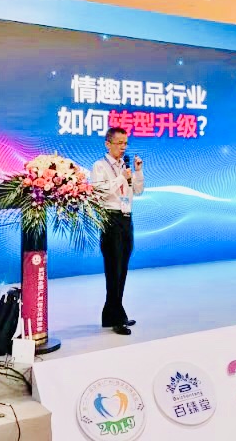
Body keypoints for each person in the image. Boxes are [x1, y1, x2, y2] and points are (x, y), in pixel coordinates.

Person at [91, 127, 144, 335]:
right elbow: (100, 193)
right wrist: (121, 177)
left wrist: (137, 172)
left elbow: (138, 190)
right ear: (108, 144)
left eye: (125, 143)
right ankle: (115, 317)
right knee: (113, 270)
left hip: (126, 218)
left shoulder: (125, 165)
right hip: (110, 219)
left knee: (122, 269)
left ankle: (115, 314)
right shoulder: (100, 166)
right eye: (119, 143)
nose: (123, 147)